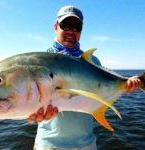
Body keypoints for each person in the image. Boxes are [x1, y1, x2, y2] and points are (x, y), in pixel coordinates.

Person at [32, 5, 141, 150]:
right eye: (66, 25)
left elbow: (104, 88)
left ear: (81, 30)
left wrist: (126, 84)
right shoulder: (42, 61)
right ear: (55, 27)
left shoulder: (91, 61)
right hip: (49, 144)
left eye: (76, 26)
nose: (71, 31)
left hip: (86, 143)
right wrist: (30, 112)